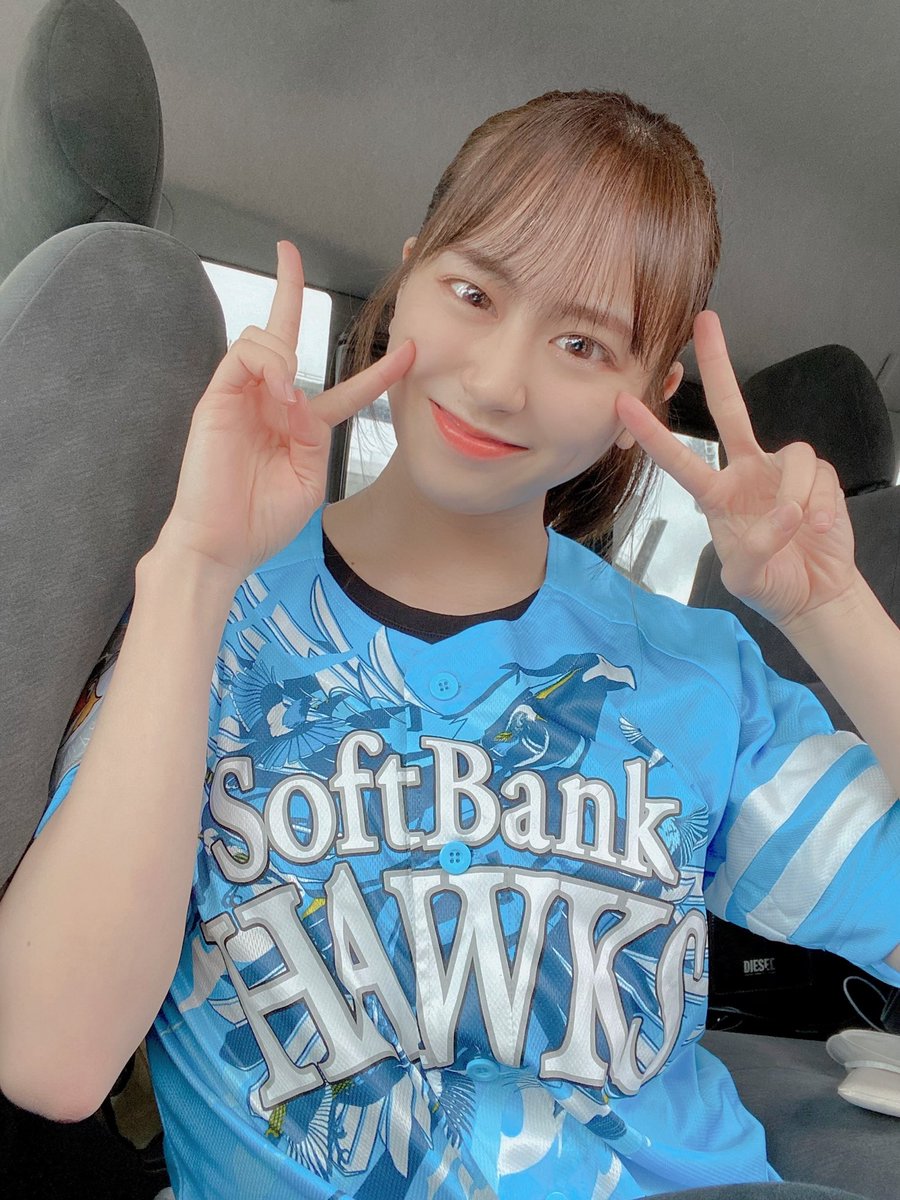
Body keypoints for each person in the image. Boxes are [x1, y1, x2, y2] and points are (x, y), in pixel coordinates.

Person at [0, 89, 897, 1200]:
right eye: (473, 293)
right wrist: (194, 563)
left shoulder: (692, 673)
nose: (497, 381)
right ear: (409, 276)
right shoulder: (208, 628)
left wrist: (831, 608)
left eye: (582, 344)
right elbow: (52, 1059)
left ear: (651, 398)